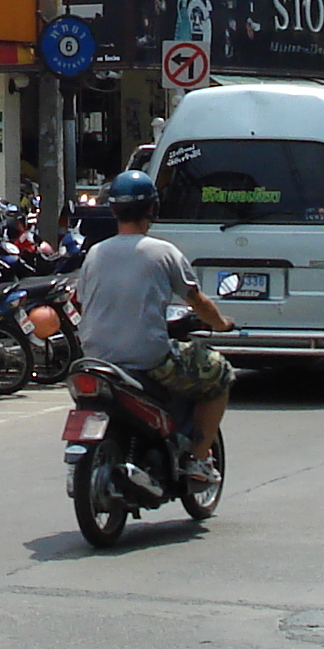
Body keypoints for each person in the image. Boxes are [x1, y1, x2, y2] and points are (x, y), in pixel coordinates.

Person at [73, 180, 234, 483]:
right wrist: (220, 324)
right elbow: (197, 300)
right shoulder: (163, 252)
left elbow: (84, 301)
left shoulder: (94, 254)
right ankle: (198, 459)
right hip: (148, 360)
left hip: (96, 359)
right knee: (220, 373)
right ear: (152, 208)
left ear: (113, 209)